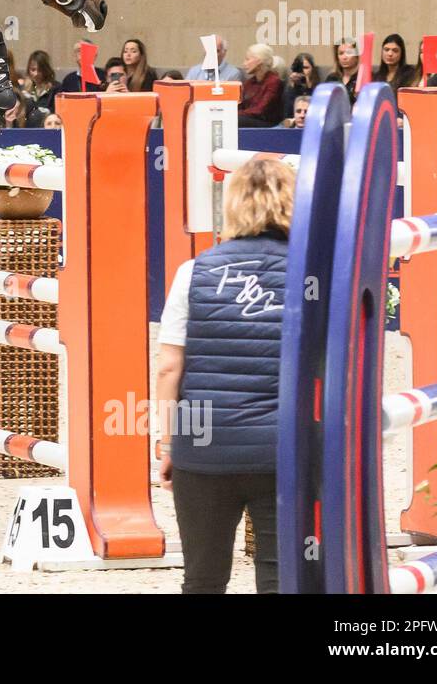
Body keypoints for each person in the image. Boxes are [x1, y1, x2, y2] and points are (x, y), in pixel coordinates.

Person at [157, 157, 293, 593]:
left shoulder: (192, 272)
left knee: (202, 579)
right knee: (281, 576)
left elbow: (169, 367)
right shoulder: (314, 275)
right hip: (283, 450)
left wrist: (167, 443)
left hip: (203, 447)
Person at [238, 44, 283, 127]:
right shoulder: (249, 83)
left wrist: (236, 114)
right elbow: (240, 105)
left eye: (247, 59)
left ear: (259, 61)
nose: (244, 63)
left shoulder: (274, 82)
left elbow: (260, 110)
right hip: (250, 119)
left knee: (236, 120)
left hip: (267, 124)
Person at [281, 52, 318, 119]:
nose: (303, 72)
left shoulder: (318, 88)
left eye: (306, 68)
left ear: (312, 69)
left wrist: (308, 85)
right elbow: (287, 115)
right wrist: (292, 87)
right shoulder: (291, 88)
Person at [323, 39, 360, 104]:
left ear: (357, 56)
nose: (344, 57)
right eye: (341, 53)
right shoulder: (332, 78)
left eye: (349, 53)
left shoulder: (362, 77)